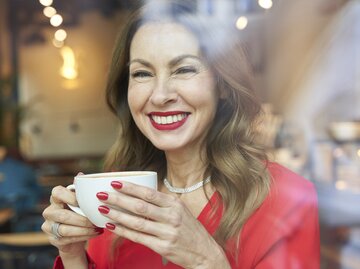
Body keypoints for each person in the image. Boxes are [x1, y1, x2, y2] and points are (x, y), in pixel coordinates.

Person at [41, 1, 320, 268]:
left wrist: (206, 261)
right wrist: (72, 255)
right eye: (142, 74)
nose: (160, 95)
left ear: (222, 85)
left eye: (184, 69)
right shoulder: (117, 196)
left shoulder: (286, 199)